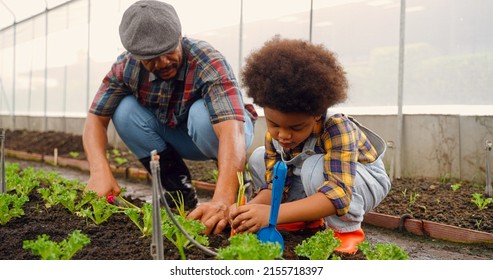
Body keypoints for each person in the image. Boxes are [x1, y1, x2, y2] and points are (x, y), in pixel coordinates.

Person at [83, 0, 256, 235]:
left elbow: (231, 129)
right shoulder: (125, 68)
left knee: (200, 115)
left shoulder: (206, 59)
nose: (163, 63)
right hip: (180, 134)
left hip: (227, 132)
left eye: (168, 52)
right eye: (151, 58)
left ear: (180, 37)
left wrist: (223, 199)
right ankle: (179, 192)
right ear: (135, 55)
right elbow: (95, 120)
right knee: (123, 111)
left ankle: (235, 189)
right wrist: (99, 170)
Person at [229, 36, 391, 253]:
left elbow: (338, 194)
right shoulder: (276, 137)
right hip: (315, 178)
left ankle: (346, 231)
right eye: (274, 124)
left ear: (316, 114)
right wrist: (250, 209)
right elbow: (276, 186)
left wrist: (271, 215)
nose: (283, 135)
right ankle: (304, 220)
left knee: (315, 166)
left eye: (296, 127)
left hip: (360, 182)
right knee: (259, 157)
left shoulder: (336, 128)